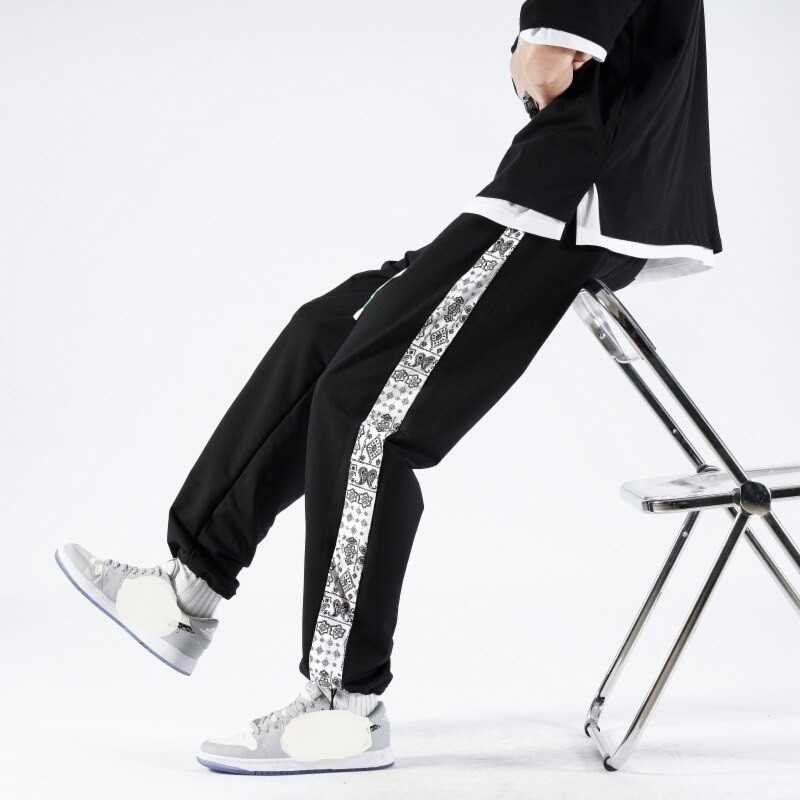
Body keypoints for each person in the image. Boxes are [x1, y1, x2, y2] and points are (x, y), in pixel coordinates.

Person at [56, 0, 722, 776]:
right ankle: (188, 587)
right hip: (553, 189)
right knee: (326, 334)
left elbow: (546, 59)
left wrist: (531, 63)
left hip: (571, 194)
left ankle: (343, 707)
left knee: (366, 409)